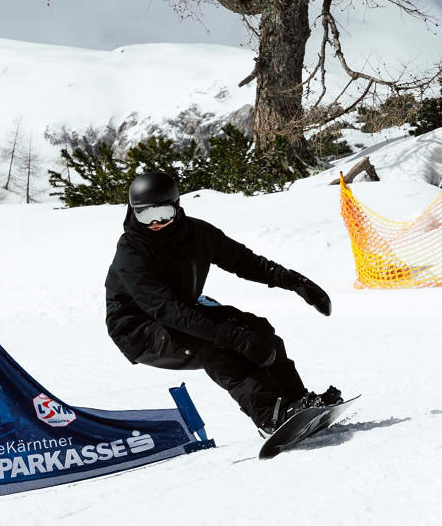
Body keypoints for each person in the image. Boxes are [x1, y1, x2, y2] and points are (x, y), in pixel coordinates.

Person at [105, 171, 341, 437]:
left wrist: (295, 282)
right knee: (215, 345)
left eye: (163, 213)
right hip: (138, 330)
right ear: (133, 212)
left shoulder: (197, 234)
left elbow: (244, 261)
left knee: (258, 330)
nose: (155, 223)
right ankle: (270, 417)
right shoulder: (132, 251)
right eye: (145, 215)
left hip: (181, 312)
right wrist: (234, 338)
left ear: (177, 207)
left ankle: (298, 401)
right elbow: (165, 309)